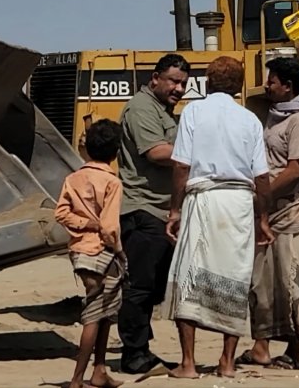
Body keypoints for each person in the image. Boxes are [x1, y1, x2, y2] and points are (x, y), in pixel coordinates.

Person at [161, 55, 274, 379]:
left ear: (208, 83)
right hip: (238, 203)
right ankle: (227, 362)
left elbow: (181, 166)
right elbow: (262, 178)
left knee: (189, 277)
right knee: (235, 279)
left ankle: (189, 363)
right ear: (239, 87)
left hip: (203, 200)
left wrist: (174, 210)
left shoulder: (194, 112)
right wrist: (262, 217)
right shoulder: (250, 120)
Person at [237, 56, 299, 371]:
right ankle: (260, 347)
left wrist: (265, 195)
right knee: (261, 282)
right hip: (269, 214)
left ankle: (293, 351)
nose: (267, 86)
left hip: (292, 214)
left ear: (287, 87)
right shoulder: (274, 116)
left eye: (272, 81)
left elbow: (297, 168)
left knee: (291, 282)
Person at [116, 53, 190, 374]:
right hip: (142, 209)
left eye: (184, 83)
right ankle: (134, 354)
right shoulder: (141, 108)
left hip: (161, 212)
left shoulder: (164, 111)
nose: (178, 88)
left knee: (156, 286)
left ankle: (140, 347)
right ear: (155, 78)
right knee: (140, 286)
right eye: (173, 81)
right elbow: (157, 152)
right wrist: (202, 152)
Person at [55, 119, 128, 388]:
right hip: (103, 253)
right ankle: (77, 379)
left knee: (104, 310)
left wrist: (85, 223)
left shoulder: (72, 178)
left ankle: (99, 371)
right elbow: (110, 228)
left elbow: (61, 213)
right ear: (116, 151)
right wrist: (120, 252)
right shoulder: (112, 182)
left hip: (79, 252)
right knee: (95, 315)